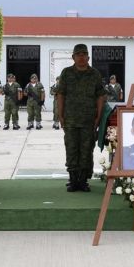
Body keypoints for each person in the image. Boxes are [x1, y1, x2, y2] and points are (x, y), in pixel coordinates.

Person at [57, 44, 106, 192]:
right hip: (71, 119)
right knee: (71, 149)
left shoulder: (95, 74)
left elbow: (100, 96)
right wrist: (60, 115)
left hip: (89, 120)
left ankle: (83, 180)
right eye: (78, 54)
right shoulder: (66, 73)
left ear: (88, 57)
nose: (81, 57)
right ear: (73, 57)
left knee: (86, 150)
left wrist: (98, 116)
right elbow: (61, 94)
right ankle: (73, 180)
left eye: (84, 54)